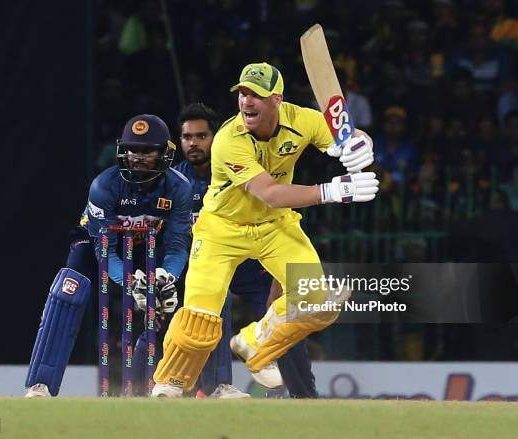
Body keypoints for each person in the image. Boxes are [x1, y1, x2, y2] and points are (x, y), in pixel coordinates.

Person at [151, 63, 379, 397]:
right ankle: (169, 384)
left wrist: (360, 145)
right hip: (221, 230)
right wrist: (332, 191)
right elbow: (269, 194)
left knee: (318, 300)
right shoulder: (228, 139)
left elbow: (348, 134)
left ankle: (254, 344)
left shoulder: (302, 120)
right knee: (199, 322)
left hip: (274, 227)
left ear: (276, 99)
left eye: (255, 94)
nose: (246, 101)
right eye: (242, 93)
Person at [25, 114, 192, 397]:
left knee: (178, 296)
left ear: (164, 153)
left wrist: (167, 276)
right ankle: (40, 384)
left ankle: (153, 386)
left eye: (147, 151)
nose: (137, 157)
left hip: (150, 245)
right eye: (132, 150)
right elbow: (105, 250)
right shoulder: (104, 186)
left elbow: (177, 246)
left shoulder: (179, 187)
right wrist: (131, 284)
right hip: (96, 245)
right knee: (69, 290)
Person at [175, 102, 317, 398]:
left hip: (255, 268)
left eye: (202, 136)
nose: (194, 143)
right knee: (209, 309)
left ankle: (305, 396)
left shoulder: (245, 165)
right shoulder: (175, 182)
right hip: (211, 265)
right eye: (188, 137)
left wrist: (278, 285)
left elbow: (280, 223)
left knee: (286, 315)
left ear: (218, 136)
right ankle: (215, 387)